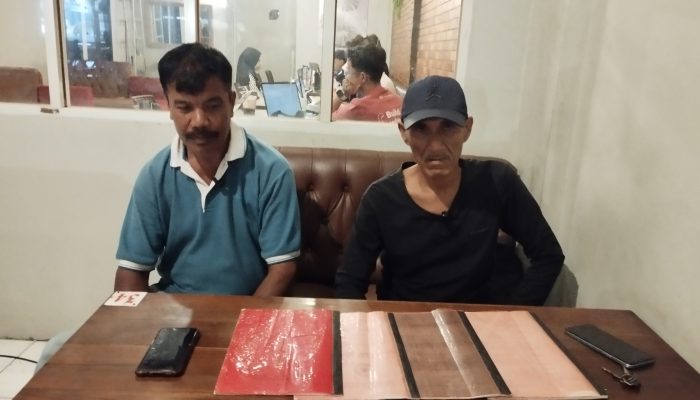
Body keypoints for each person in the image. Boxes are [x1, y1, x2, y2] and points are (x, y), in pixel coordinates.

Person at [37, 43, 301, 371]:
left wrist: (243, 328)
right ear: (169, 107)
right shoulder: (155, 175)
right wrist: (132, 330)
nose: (199, 121)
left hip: (244, 308)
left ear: (231, 102)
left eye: (212, 105)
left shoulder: (271, 170)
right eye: (185, 107)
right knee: (55, 350)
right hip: (173, 312)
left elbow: (282, 270)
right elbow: (132, 271)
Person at [335, 76, 564, 305]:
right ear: (404, 132)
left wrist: (512, 316)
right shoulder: (381, 198)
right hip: (406, 318)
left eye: (448, 128)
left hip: (477, 320)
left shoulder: (496, 182)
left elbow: (548, 255)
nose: (435, 146)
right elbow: (349, 281)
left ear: (467, 129)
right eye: (421, 130)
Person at [331, 45, 402, 123]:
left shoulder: (357, 108)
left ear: (363, 77)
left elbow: (326, 116)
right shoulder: (398, 100)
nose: (345, 77)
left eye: (348, 72)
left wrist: (342, 94)